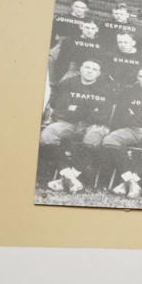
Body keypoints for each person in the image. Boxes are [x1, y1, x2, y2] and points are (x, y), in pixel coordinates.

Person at [39, 59, 112, 192]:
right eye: (87, 67)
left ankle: (65, 179)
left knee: (92, 141)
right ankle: (68, 175)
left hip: (93, 125)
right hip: (67, 122)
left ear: (99, 73)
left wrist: (76, 109)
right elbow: (59, 108)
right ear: (81, 69)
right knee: (47, 136)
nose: (90, 71)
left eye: (94, 69)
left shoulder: (105, 89)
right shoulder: (67, 83)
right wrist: (89, 110)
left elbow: (103, 115)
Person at [101, 67, 142, 198]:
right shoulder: (128, 93)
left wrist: (136, 116)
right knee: (110, 140)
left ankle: (131, 180)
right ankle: (130, 179)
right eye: (141, 76)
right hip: (130, 129)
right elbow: (122, 116)